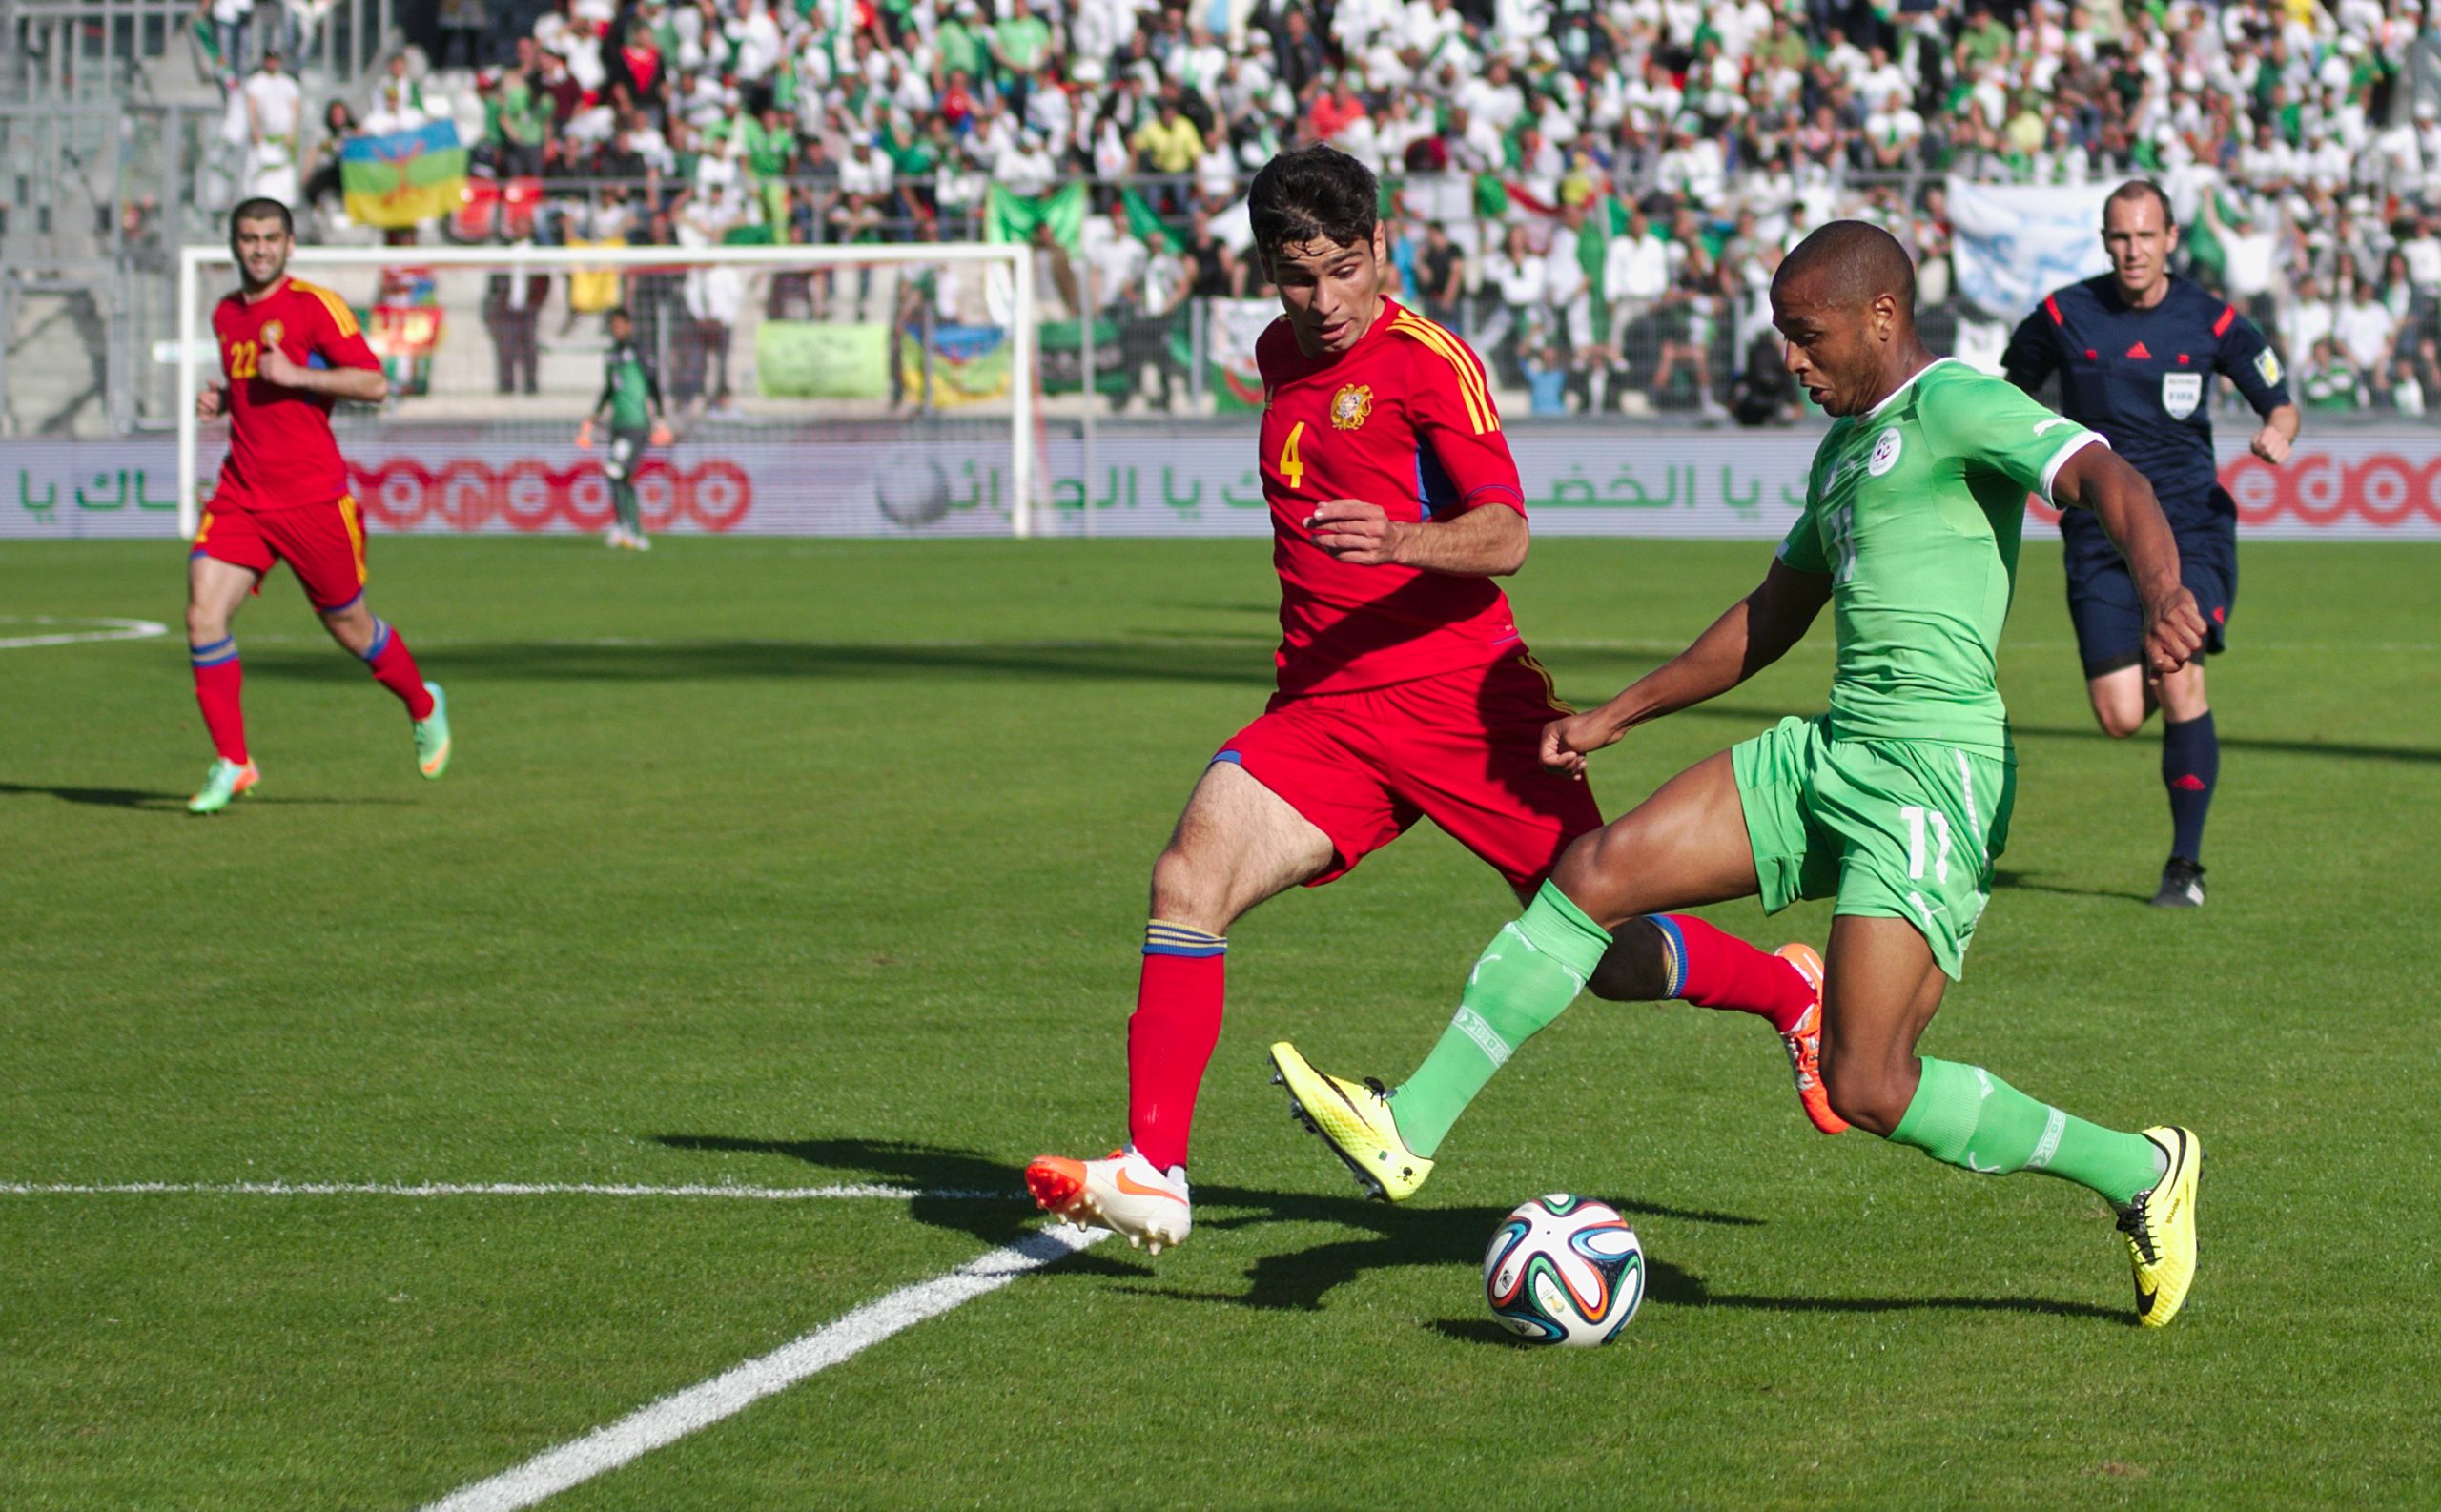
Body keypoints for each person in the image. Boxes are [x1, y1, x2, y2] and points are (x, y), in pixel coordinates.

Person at [1282, 221, 2209, 1329]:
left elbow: (2108, 475)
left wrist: (2161, 593)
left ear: (1881, 316)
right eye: (1782, 338)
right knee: (1592, 871)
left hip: (1932, 775)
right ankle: (1408, 1126)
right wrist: (1617, 711)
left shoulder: (1961, 400)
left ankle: (2139, 1168)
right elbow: (1772, 616)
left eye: (1807, 337)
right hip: (1829, 751)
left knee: (1870, 1084)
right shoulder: (1839, 451)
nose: (1792, 362)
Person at [1024, 146, 1823, 1254]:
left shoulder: (1426, 363)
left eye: (1345, 270)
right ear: (1268, 272)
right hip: (1323, 711)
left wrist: (1398, 538)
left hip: (1465, 707)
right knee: (1185, 877)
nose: (1324, 300)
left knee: (1607, 948)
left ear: (1381, 250)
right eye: (1299, 277)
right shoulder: (1275, 353)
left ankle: (1788, 991)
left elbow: (1508, 533)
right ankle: (1155, 1166)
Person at [2002, 181, 2299, 908]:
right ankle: (2157, 672)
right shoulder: (2062, 313)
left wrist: (2276, 436)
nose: (2132, 251)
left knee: (2178, 666)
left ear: (2170, 238)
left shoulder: (2212, 318)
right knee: (2120, 716)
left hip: (2190, 524)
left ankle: (2184, 869)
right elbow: (2011, 393)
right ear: (2106, 241)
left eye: (2145, 236)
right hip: (2098, 535)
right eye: (2119, 238)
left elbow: (2280, 401)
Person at [186, 198, 451, 814]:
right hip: (242, 495)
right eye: (249, 238)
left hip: (313, 500)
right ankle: (233, 761)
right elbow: (259, 385)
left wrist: (301, 376)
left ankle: (423, 703)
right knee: (203, 614)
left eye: (270, 238)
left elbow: (375, 383)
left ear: (290, 243)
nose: (259, 249)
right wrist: (228, 398)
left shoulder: (314, 306)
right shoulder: (224, 313)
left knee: (351, 629)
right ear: (234, 244)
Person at [577, 306, 673, 549]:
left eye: (621, 324)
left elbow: (653, 383)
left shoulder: (639, 350)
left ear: (629, 325)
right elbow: (609, 388)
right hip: (617, 424)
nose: (617, 328)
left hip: (636, 424)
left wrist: (659, 415)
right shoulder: (612, 355)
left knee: (617, 471)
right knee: (618, 475)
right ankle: (626, 528)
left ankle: (633, 530)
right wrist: (597, 413)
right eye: (613, 324)